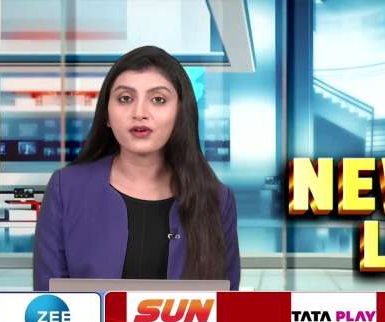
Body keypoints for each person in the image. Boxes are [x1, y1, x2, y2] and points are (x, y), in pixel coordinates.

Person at [33, 46, 240, 291]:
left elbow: (225, 305)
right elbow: (47, 301)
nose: (140, 113)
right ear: (107, 116)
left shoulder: (216, 199)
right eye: (125, 98)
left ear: (180, 114)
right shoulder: (65, 189)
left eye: (158, 100)